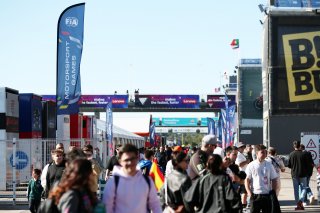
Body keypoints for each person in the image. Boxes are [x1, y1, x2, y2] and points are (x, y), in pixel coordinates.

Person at [103, 144, 162, 213]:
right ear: (120, 161)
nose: (130, 162)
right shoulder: (113, 183)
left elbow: (155, 205)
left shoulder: (147, 181)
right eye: (126, 160)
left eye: (132, 159)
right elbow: (107, 208)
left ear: (137, 158)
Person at [245, 144, 279, 213]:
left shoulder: (269, 165)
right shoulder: (251, 165)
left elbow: (274, 179)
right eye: (262, 152)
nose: (265, 154)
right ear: (257, 153)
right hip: (255, 195)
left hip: (267, 195)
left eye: (265, 152)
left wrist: (273, 192)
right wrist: (249, 193)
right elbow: (247, 180)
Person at [288, 140, 309, 210]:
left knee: (296, 190)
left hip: (294, 174)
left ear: (293, 146)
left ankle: (298, 204)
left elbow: (289, 165)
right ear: (300, 145)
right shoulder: (304, 154)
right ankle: (301, 201)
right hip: (303, 174)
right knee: (304, 189)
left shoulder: (291, 154)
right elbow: (308, 164)